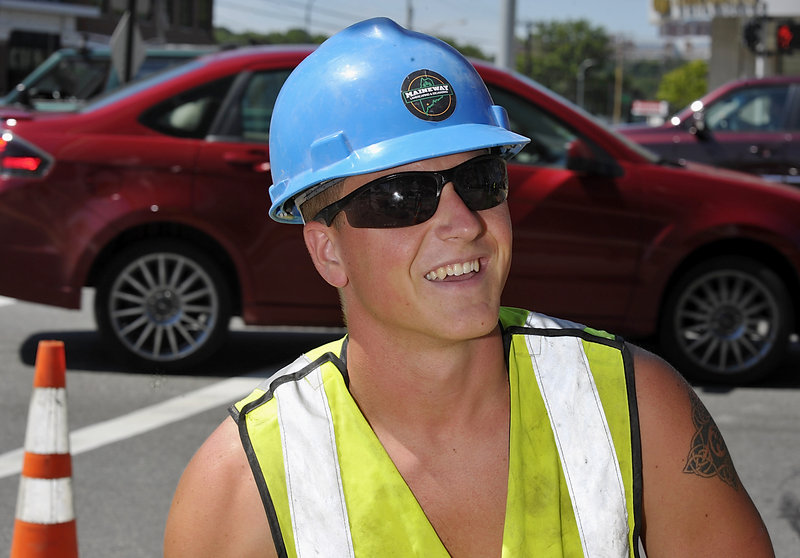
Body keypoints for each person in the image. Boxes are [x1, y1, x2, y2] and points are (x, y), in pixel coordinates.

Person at [164, 18, 774, 558]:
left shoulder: (639, 407)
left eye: (481, 180)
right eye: (400, 196)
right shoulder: (242, 486)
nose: (463, 223)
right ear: (327, 250)